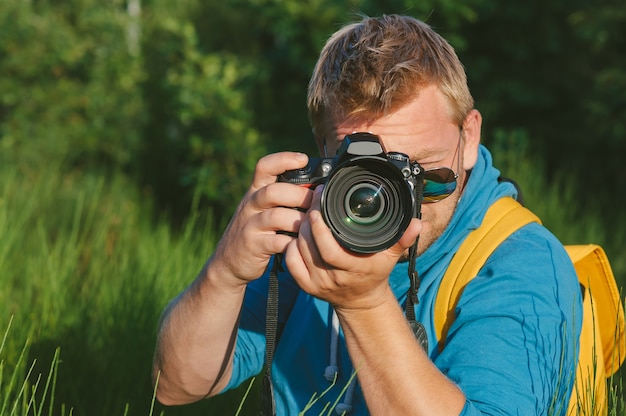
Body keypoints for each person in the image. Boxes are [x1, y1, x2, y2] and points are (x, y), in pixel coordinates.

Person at [152, 14, 583, 415]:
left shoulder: (520, 264)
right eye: (367, 171)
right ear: (324, 152)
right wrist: (225, 272)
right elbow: (177, 385)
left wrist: (362, 303)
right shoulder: (307, 235)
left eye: (417, 168)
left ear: (468, 136)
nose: (398, 196)